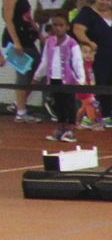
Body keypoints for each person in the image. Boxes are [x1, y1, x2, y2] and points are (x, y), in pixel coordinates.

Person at [72, 0, 112, 126]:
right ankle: (92, 116)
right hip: (96, 57)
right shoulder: (87, 13)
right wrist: (89, 42)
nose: (104, 2)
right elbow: (78, 29)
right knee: (97, 87)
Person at [34, 11, 84, 143]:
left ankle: (71, 129)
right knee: (58, 104)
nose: (58, 28)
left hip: (68, 80)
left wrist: (81, 79)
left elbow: (78, 62)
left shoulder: (72, 43)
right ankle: (60, 127)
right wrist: (37, 76)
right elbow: (45, 61)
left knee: (69, 104)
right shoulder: (49, 42)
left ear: (67, 26)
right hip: (54, 79)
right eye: (55, 25)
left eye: (61, 25)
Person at [4, 0, 38, 120]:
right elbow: (8, 19)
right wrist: (16, 42)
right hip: (14, 40)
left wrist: (38, 32)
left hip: (27, 39)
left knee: (36, 71)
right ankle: (21, 111)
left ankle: (19, 104)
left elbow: (27, 16)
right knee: (22, 74)